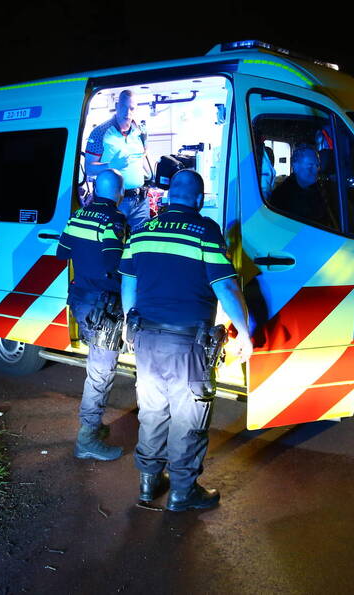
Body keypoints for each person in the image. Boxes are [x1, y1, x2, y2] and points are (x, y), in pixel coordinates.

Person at [119, 170, 252, 512]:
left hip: (146, 338)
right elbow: (224, 285)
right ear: (198, 199)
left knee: (152, 412)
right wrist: (244, 332)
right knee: (188, 418)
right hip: (187, 345)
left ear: (168, 197)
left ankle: (148, 483)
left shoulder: (142, 230)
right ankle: (182, 491)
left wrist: (126, 322)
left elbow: (128, 282)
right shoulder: (205, 231)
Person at [56, 169, 128, 461]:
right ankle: (87, 438)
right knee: (100, 372)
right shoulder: (114, 220)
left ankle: (93, 428)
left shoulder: (77, 217)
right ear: (119, 193)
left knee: (97, 368)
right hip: (104, 307)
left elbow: (62, 253)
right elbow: (116, 261)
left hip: (81, 301)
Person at [85, 90, 153, 231]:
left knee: (139, 245)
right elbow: (89, 168)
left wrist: (153, 177)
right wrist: (111, 165)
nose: (127, 112)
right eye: (123, 107)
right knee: (113, 244)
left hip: (140, 200)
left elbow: (144, 157)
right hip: (114, 202)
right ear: (117, 105)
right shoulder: (100, 132)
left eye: (132, 108)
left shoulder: (140, 132)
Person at [269, 144, 328, 224]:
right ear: (295, 167)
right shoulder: (282, 196)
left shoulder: (319, 190)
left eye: (317, 165)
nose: (316, 170)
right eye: (310, 166)